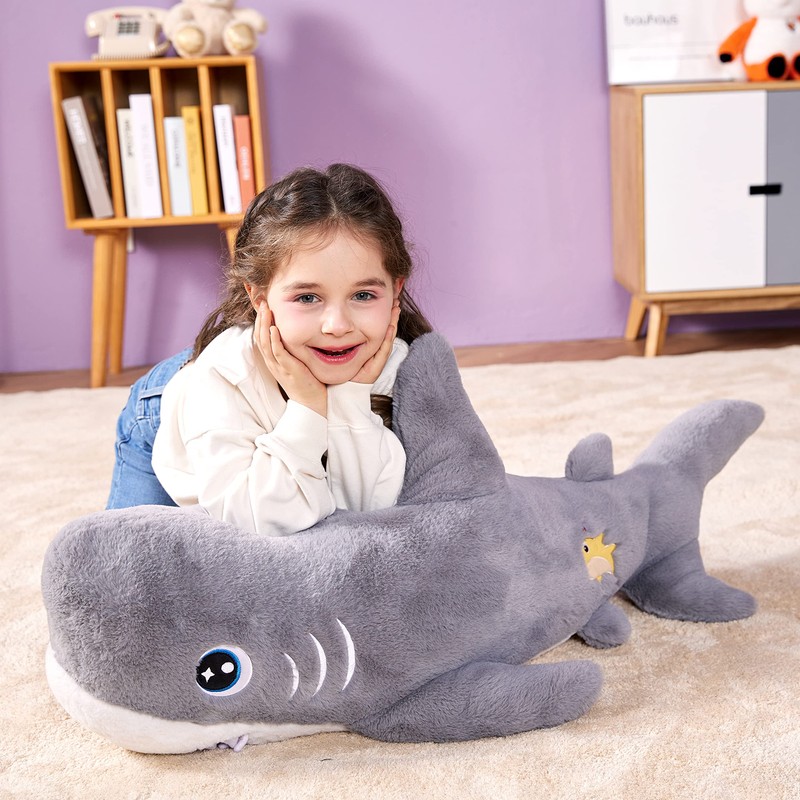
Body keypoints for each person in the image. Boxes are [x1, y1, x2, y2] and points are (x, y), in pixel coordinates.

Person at [106, 163, 433, 536]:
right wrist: (308, 407)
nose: (338, 326)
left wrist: (350, 397)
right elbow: (261, 523)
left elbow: (365, 514)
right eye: (307, 297)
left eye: (363, 295)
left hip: (274, 374)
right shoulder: (222, 377)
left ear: (395, 291)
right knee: (125, 551)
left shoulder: (397, 363)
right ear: (259, 298)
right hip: (166, 410)